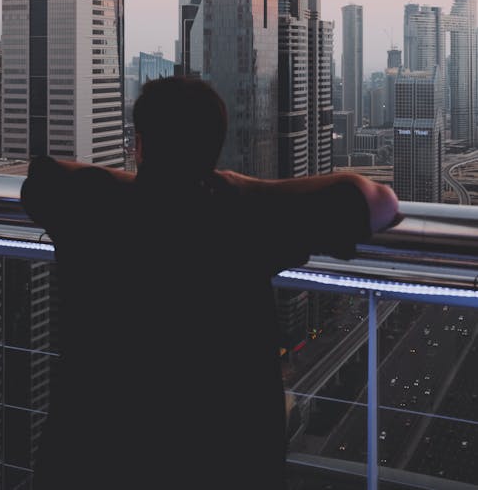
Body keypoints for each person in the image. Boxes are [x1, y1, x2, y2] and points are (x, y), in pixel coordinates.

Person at [21, 76, 399, 490]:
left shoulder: (88, 203)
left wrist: (143, 182)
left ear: (139, 144)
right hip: (218, 463)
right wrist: (241, 186)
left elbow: (42, 175)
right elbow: (378, 203)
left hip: (88, 459)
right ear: (214, 149)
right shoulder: (243, 218)